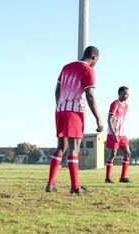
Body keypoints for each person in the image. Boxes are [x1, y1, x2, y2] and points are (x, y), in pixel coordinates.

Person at [46, 46, 104, 194]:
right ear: (93, 57)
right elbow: (89, 95)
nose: (95, 64)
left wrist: (60, 103)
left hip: (60, 109)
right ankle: (75, 187)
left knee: (61, 146)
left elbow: (57, 89)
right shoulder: (88, 70)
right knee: (74, 147)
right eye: (96, 61)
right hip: (74, 111)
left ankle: (51, 184)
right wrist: (98, 118)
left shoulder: (66, 67)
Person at [105, 86, 131, 183]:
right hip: (113, 133)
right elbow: (109, 119)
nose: (127, 96)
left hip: (122, 134)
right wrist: (113, 133)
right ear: (119, 93)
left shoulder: (126, 106)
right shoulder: (115, 104)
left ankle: (122, 178)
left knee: (127, 153)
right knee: (112, 155)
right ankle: (107, 178)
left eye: (128, 94)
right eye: (125, 94)